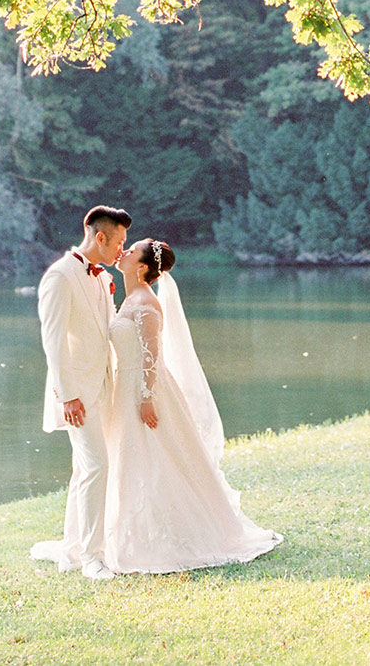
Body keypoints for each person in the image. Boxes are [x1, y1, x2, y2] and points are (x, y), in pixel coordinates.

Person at [102, 237, 283, 574]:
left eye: (131, 250)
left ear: (141, 267)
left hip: (143, 390)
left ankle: (168, 535)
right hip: (125, 386)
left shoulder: (146, 304)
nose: (123, 252)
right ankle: (131, 532)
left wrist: (146, 399)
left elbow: (151, 357)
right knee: (131, 456)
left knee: (154, 455)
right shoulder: (130, 299)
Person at [29, 204, 131, 580]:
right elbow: (53, 343)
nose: (122, 249)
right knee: (96, 466)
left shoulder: (101, 277)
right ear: (100, 237)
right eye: (119, 242)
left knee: (84, 469)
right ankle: (92, 557)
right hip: (77, 395)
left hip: (104, 385)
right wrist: (67, 394)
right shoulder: (60, 276)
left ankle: (74, 548)